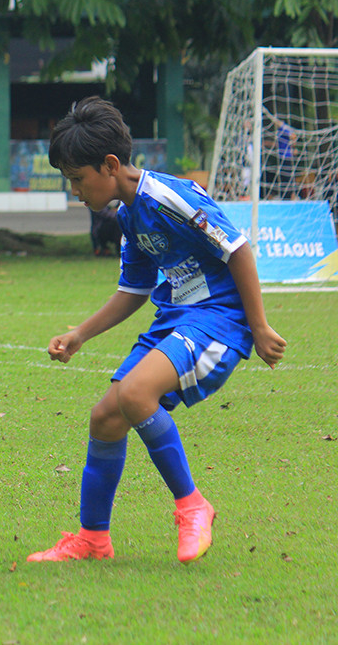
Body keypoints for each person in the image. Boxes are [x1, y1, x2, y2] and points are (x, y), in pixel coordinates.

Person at [27, 97, 287, 565]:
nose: (75, 191)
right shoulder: (128, 215)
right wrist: (81, 334)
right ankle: (92, 539)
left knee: (134, 396)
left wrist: (260, 326)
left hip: (219, 319)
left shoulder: (169, 196)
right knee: (105, 417)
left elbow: (239, 250)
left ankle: (193, 506)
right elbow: (135, 289)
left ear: (109, 165)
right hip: (176, 319)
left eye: (77, 179)